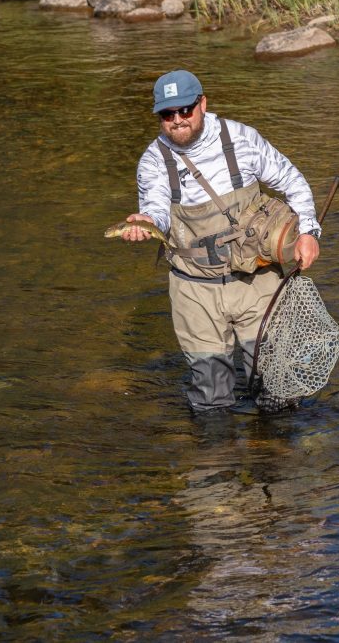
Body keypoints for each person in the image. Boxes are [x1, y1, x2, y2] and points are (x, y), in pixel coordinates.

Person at [117, 70, 321, 413]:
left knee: (276, 388)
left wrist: (308, 232)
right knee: (210, 396)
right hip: (194, 290)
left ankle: (276, 459)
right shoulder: (153, 160)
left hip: (256, 280)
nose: (177, 121)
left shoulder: (241, 138)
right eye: (168, 114)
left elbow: (292, 180)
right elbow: (156, 209)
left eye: (185, 110)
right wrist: (148, 221)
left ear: (203, 104)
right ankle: (214, 462)